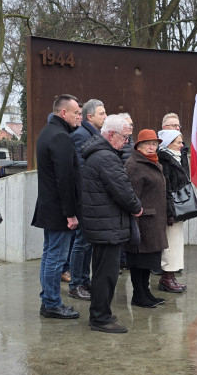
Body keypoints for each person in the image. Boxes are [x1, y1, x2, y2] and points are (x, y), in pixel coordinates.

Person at [80, 116, 143, 332]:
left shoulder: (99, 154)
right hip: (107, 225)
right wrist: (136, 207)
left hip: (103, 223)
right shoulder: (106, 157)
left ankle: (100, 312)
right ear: (111, 135)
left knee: (101, 272)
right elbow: (122, 189)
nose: (127, 141)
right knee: (106, 273)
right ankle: (100, 318)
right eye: (125, 137)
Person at [32, 94, 83, 319]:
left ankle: (48, 300)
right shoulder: (60, 136)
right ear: (64, 113)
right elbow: (65, 179)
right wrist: (71, 214)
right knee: (56, 258)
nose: (80, 117)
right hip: (59, 210)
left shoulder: (49, 132)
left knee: (50, 255)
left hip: (50, 207)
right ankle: (52, 302)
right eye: (77, 113)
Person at [124, 129, 169, 307]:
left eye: (154, 144)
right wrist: (133, 226)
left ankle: (146, 292)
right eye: (147, 144)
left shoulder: (155, 163)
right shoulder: (134, 165)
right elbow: (132, 196)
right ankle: (138, 295)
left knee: (149, 261)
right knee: (139, 262)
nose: (151, 147)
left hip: (154, 221)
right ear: (139, 146)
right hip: (142, 221)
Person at [69, 98, 107, 301]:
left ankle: (84, 280)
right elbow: (82, 169)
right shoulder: (81, 135)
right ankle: (76, 284)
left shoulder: (93, 134)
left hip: (92, 197)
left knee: (87, 242)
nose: (105, 116)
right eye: (102, 113)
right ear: (89, 116)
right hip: (85, 197)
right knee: (81, 242)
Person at [157, 129, 191, 293]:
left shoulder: (177, 157)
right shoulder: (165, 160)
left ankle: (171, 276)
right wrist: (170, 212)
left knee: (176, 243)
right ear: (169, 143)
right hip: (171, 209)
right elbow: (167, 187)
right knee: (170, 245)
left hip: (178, 208)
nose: (182, 145)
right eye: (178, 142)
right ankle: (166, 278)